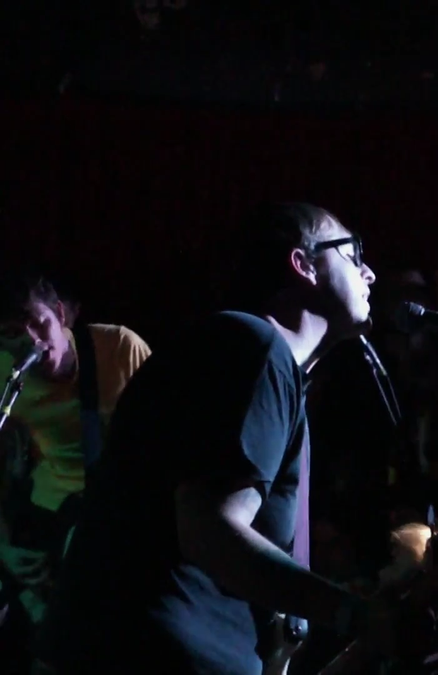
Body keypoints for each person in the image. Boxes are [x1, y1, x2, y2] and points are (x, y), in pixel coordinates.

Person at [37, 203, 397, 674]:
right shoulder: (253, 347)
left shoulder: (258, 363)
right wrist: (353, 614)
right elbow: (210, 531)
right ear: (303, 265)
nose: (369, 273)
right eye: (353, 254)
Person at [0, 273, 151, 669]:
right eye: (14, 333)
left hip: (120, 508)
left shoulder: (117, 347)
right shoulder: (6, 377)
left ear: (61, 314)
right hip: (52, 518)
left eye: (39, 323)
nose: (31, 341)